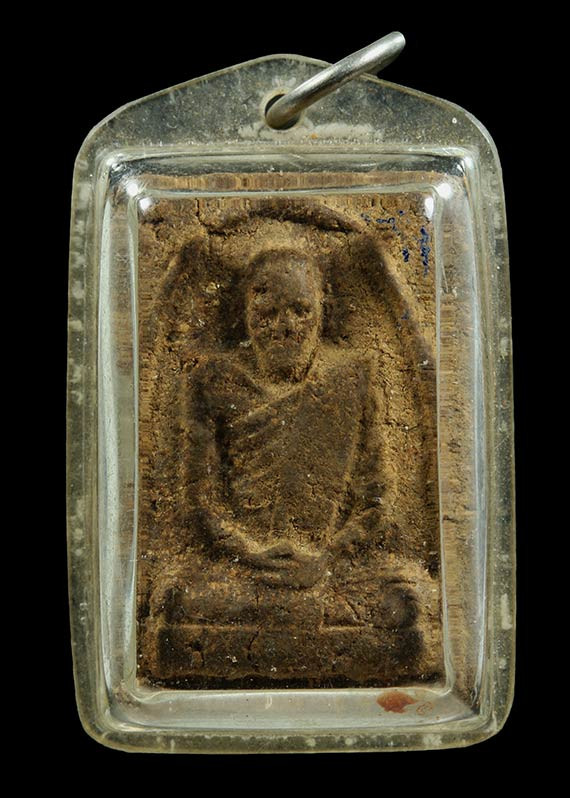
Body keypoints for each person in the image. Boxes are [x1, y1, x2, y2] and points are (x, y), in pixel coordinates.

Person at [146, 248, 438, 683]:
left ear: (322, 310)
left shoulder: (354, 376)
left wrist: (326, 558)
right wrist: (251, 553)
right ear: (244, 315)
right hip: (244, 571)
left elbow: (377, 498)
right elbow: (198, 501)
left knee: (403, 605)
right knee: (176, 599)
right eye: (268, 314)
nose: (285, 326)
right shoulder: (212, 380)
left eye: (300, 311)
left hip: (331, 567)